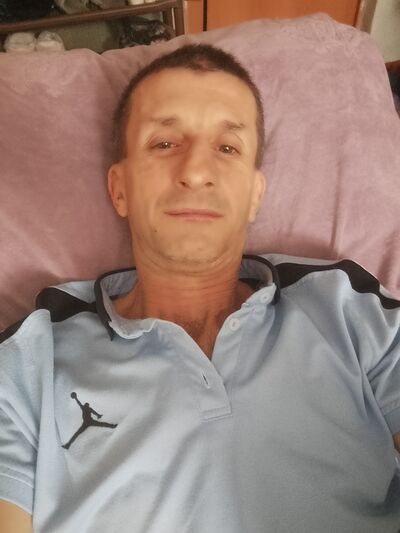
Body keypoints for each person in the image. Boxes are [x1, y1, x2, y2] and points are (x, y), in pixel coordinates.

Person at [0, 43, 399, 533]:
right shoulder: (30, 360)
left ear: (255, 196)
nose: (194, 172)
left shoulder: (345, 306)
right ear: (119, 188)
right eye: (164, 143)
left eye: (227, 148)